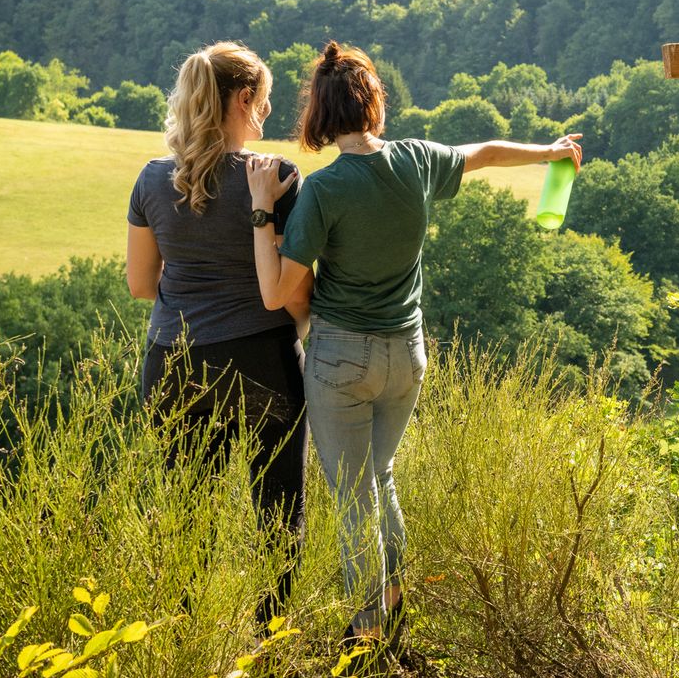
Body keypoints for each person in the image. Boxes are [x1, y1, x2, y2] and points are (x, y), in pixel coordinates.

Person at [246, 41, 581, 641]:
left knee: (353, 499)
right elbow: (481, 153)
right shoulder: (417, 160)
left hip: (342, 358)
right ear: (374, 102)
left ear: (319, 114)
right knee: (381, 477)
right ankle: (393, 607)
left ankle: (368, 637)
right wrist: (549, 153)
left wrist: (260, 211)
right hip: (407, 353)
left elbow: (277, 295)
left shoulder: (324, 191)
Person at [125, 40, 309, 621]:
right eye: (267, 100)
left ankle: (184, 653)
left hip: (173, 365)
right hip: (261, 362)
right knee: (278, 516)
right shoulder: (276, 176)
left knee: (186, 519)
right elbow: (292, 286)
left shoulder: (154, 180)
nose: (269, 113)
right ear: (246, 99)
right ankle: (273, 659)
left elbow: (139, 283)